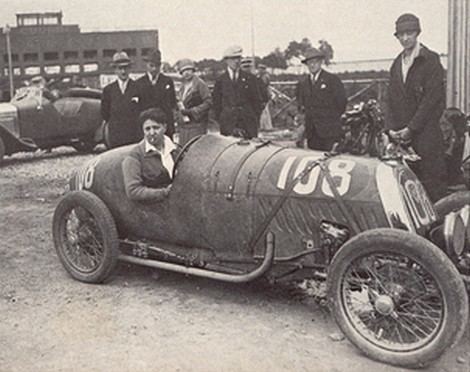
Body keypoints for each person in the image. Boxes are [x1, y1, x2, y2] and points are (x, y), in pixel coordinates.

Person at [387, 13, 447, 201]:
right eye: (401, 35)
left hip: (426, 135)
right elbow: (390, 99)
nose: (405, 38)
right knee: (407, 188)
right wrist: (390, 129)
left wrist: (411, 128)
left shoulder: (430, 60)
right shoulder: (397, 64)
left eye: (409, 33)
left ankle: (438, 228)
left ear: (417, 33)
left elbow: (432, 100)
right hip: (403, 140)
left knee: (432, 185)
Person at [296, 47, 347, 151]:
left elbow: (341, 103)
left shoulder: (332, 80)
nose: (312, 65)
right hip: (312, 133)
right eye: (309, 62)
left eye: (315, 62)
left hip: (329, 131)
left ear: (320, 63)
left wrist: (330, 119)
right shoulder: (303, 83)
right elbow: (301, 105)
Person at [122, 108, 177, 202]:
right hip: (153, 207)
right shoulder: (135, 156)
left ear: (164, 128)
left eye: (156, 128)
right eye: (147, 129)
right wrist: (165, 192)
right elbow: (133, 191)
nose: (152, 133)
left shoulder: (176, 150)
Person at [212, 45, 263, 139]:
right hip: (228, 126)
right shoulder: (221, 80)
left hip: (248, 125)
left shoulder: (250, 78)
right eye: (233, 58)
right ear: (226, 60)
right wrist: (223, 119)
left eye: (238, 58)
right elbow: (216, 103)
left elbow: (257, 102)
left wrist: (252, 117)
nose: (236, 61)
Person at [101, 51, 141, 148]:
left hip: (134, 136)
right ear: (115, 70)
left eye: (126, 68)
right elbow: (105, 113)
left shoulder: (138, 87)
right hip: (116, 136)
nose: (123, 71)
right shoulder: (108, 90)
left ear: (130, 69)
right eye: (120, 68)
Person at [136, 49, 177, 140]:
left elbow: (172, 103)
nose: (154, 69)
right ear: (146, 65)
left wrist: (171, 127)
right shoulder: (139, 83)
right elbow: (137, 108)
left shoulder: (167, 81)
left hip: (164, 127)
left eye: (157, 66)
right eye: (151, 65)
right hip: (147, 127)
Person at [175, 58, 212, 146]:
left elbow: (208, 102)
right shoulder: (182, 87)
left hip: (197, 124)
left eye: (188, 69)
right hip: (184, 126)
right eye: (183, 71)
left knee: (196, 148)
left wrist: (193, 111)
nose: (186, 73)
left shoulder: (200, 84)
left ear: (193, 70)